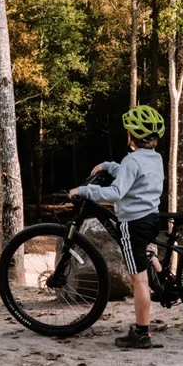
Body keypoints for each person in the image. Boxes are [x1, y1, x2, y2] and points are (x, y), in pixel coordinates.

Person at [69, 104, 165, 349]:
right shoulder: (155, 158)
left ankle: (142, 333)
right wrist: (110, 166)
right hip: (151, 219)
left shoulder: (132, 160)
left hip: (133, 224)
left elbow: (116, 192)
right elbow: (132, 175)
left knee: (138, 280)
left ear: (131, 134)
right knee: (146, 256)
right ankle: (162, 277)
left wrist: (85, 190)